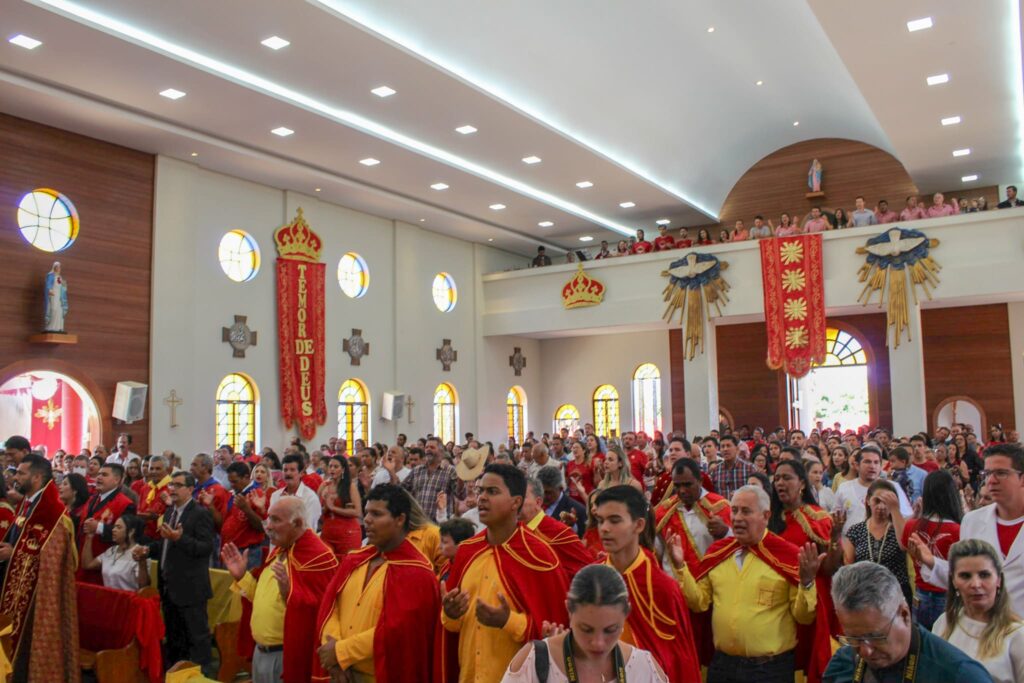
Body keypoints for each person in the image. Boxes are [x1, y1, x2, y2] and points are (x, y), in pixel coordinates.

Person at [674, 485, 823, 683]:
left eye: (746, 511)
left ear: (766, 515)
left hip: (769, 670)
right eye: (734, 510)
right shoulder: (718, 553)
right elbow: (699, 603)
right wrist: (680, 567)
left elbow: (804, 618)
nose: (737, 518)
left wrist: (806, 583)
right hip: (722, 666)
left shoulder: (787, 556)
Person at [440, 464, 570, 683]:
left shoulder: (538, 556)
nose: (481, 498)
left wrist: (507, 620)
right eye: (481, 490)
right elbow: (452, 626)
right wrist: (450, 614)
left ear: (516, 502)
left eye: (492, 492)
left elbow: (555, 631)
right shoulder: (467, 551)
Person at [314, 484, 439, 682]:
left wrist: (341, 652)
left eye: (377, 514)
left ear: (400, 519)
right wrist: (336, 659)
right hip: (340, 672)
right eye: (366, 513)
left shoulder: (417, 572)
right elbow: (331, 607)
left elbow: (397, 631)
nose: (368, 520)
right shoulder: (355, 560)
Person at [223, 496, 338, 683]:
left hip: (288, 657)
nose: (268, 526)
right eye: (268, 518)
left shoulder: (318, 557)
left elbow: (323, 613)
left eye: (276, 520)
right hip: (261, 653)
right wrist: (241, 577)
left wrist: (289, 594)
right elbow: (261, 597)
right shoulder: (280, 550)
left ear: (298, 523)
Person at [594, 485, 701, 681]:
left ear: (639, 525)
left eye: (614, 520)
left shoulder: (662, 588)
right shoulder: (592, 579)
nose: (605, 528)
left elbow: (679, 661)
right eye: (600, 521)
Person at [824, 561, 993, 682]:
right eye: (854, 639)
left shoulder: (960, 675)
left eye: (876, 637)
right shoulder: (843, 663)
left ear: (904, 614)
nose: (865, 651)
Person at [502, 563, 669, 682]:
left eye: (610, 630)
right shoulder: (534, 662)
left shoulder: (644, 669)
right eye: (586, 629)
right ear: (569, 610)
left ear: (626, 613)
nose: (598, 643)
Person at [914, 444, 1024, 617]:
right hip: (982, 623)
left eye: (1001, 473)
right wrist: (931, 561)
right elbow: (965, 576)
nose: (991, 481)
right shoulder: (973, 521)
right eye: (987, 474)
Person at [0, 454, 79, 681]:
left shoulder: (52, 513)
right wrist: (11, 547)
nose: (16, 477)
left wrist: (13, 552)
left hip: (38, 596)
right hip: (18, 588)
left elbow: (51, 559)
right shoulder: (28, 504)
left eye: (21, 473)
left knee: (28, 651)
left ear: (36, 477)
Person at [133, 470, 216, 674]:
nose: (173, 489)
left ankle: (202, 677)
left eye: (178, 486)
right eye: (172, 485)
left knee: (196, 639)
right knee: (175, 638)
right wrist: (148, 550)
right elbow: (165, 543)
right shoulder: (170, 512)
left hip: (191, 586)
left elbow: (206, 548)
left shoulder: (200, 513)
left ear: (190, 489)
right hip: (169, 584)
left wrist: (181, 539)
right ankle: (177, 676)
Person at [932, 539, 1024, 683]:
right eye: (965, 576)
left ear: (998, 579)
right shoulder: (943, 623)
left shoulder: (1017, 635)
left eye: (984, 575)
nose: (975, 584)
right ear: (954, 581)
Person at [899, 469, 962, 630]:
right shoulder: (957, 529)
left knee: (921, 643)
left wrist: (914, 516)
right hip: (947, 595)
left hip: (920, 593)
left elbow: (903, 544)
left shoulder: (912, 525)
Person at [843, 480, 914, 607]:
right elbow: (848, 564)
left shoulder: (898, 527)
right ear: (868, 500)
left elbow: (905, 544)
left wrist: (895, 510)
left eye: (886, 502)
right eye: (877, 501)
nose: (881, 506)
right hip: (865, 594)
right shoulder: (855, 530)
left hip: (896, 594)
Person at [522, 476, 595, 578]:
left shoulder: (558, 532)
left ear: (538, 502)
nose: (516, 501)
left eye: (522, 496)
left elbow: (589, 571)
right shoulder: (512, 531)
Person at [78, 462, 136, 583]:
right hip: (82, 558)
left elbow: (126, 535)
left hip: (104, 562)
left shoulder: (126, 504)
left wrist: (99, 527)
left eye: (104, 475)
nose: (99, 477)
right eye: (98, 474)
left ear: (116, 480)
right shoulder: (92, 499)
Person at [834, 447, 912, 534]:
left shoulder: (893, 487)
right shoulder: (844, 488)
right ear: (857, 465)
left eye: (876, 462)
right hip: (850, 542)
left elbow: (906, 517)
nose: (872, 466)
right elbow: (836, 517)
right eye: (867, 462)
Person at [80, 512, 149, 591]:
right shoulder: (111, 551)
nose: (113, 530)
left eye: (118, 527)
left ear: (131, 532)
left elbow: (144, 586)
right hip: (111, 599)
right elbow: (87, 564)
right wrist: (89, 537)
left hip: (128, 600)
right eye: (114, 527)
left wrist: (142, 561)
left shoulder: (139, 552)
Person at [221, 462, 268, 571]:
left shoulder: (256, 494)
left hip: (248, 552)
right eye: (230, 481)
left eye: (235, 481)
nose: (231, 484)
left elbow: (262, 527)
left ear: (246, 477)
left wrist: (246, 509)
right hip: (231, 548)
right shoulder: (234, 493)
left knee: (245, 586)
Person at [402, 436, 459, 522]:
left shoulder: (450, 470)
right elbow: (401, 489)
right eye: (426, 447)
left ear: (441, 451)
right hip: (418, 522)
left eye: (432, 447)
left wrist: (462, 478)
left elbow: (460, 494)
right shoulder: (417, 470)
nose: (428, 449)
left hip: (440, 523)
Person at [318, 455, 362, 557]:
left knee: (346, 567)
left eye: (336, 467)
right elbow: (318, 512)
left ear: (343, 469)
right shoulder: (324, 486)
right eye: (330, 466)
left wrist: (333, 508)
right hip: (328, 532)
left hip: (347, 533)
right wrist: (325, 507)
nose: (332, 469)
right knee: (328, 564)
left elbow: (357, 512)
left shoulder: (350, 486)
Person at [270, 453, 322, 532]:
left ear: (301, 473)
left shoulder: (310, 497)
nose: (288, 473)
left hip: (301, 543)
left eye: (292, 470)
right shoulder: (276, 495)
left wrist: (291, 508)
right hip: (278, 542)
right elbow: (271, 524)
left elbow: (308, 529)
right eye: (285, 470)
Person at [536, 466, 587, 537]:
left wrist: (572, 527)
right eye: (541, 491)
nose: (543, 496)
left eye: (548, 492)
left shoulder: (579, 511)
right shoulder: (532, 505)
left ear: (561, 488)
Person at [191, 452, 230, 533]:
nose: (191, 468)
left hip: (210, 536)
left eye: (194, 465)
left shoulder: (218, 490)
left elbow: (222, 523)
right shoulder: (193, 487)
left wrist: (210, 506)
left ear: (205, 468)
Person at [136, 454, 171, 541]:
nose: (154, 471)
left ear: (167, 470)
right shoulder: (145, 488)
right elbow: (140, 510)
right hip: (144, 534)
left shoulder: (172, 487)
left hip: (163, 537)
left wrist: (157, 517)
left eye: (158, 469)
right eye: (151, 468)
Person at [710, 435, 754, 502]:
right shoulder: (716, 470)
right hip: (722, 510)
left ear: (737, 448)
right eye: (722, 446)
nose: (725, 449)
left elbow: (756, 492)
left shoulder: (749, 468)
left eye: (728, 446)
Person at [439, 517, 477, 582]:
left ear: (460, 544)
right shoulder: (446, 566)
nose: (439, 546)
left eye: (444, 542)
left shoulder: (471, 569)